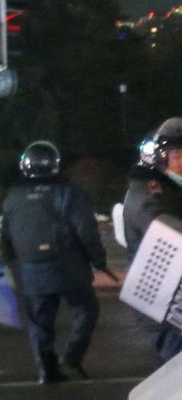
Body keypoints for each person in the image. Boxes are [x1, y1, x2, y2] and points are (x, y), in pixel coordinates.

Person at [2, 141, 118, 383]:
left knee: (40, 322)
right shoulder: (68, 192)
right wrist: (98, 261)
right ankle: (72, 356)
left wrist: (10, 261)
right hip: (68, 265)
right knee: (86, 310)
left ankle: (46, 369)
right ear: (55, 165)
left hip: (31, 267)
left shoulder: (14, 196)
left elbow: (6, 235)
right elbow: (85, 230)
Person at [123, 120, 182, 365]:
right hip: (161, 303)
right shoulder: (150, 194)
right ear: (158, 158)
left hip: (167, 299)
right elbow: (168, 231)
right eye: (177, 157)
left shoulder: (162, 190)